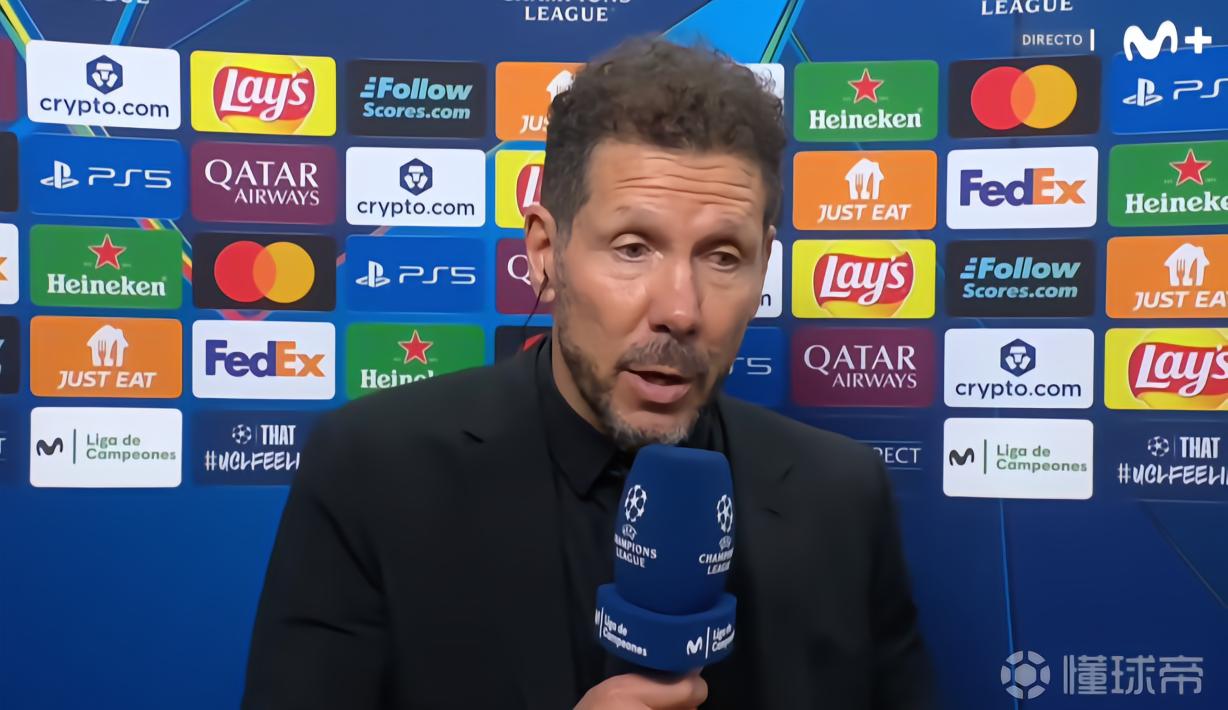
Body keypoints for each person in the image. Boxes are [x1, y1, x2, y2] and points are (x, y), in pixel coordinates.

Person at [242, 37, 933, 710]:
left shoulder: (843, 497)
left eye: (723, 256)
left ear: (763, 268)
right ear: (546, 251)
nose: (680, 310)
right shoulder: (374, 472)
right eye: (633, 249)